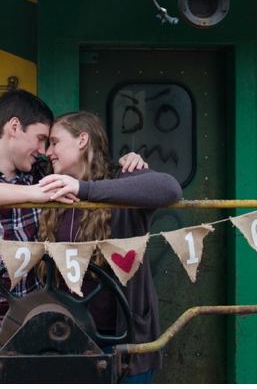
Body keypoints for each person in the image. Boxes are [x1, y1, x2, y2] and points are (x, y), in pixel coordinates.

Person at [0, 90, 144, 383]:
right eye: (41, 139)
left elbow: (85, 167)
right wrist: (31, 195)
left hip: (37, 331)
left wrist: (129, 160)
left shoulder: (42, 172)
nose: (44, 150)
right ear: (14, 128)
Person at [36, 111, 182, 384]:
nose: (48, 151)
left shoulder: (124, 178)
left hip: (122, 345)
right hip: (65, 343)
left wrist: (84, 190)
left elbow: (170, 189)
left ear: (82, 140)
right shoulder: (48, 186)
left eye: (55, 142)